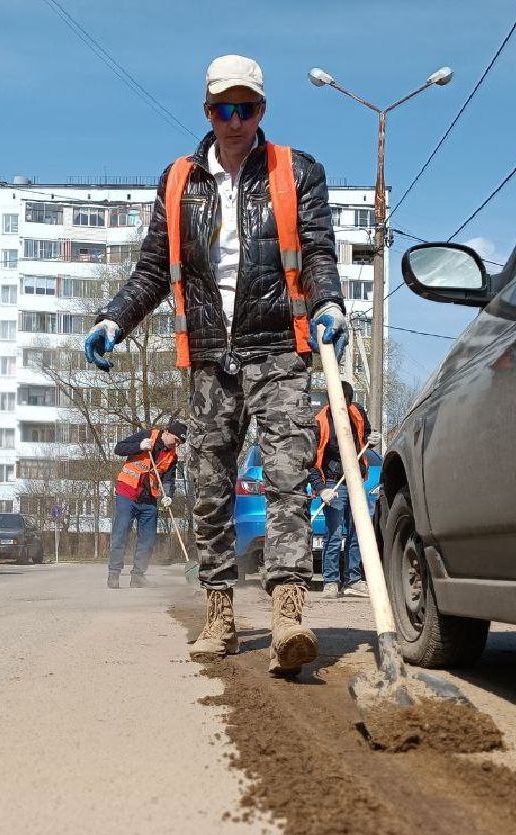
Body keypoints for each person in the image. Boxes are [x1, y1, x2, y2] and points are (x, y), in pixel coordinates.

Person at [83, 54, 348, 677]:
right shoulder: (177, 181)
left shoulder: (297, 171)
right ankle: (221, 613)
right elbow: (152, 269)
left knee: (286, 473)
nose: (235, 120)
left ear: (262, 111)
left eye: (247, 108)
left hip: (279, 344)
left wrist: (330, 302)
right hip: (208, 354)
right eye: (224, 108)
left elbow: (317, 251)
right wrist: (113, 319)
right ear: (207, 111)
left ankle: (287, 613)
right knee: (209, 487)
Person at [107, 420, 186, 589]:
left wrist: (168, 496)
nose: (177, 444)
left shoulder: (173, 456)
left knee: (148, 539)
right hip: (127, 493)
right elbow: (118, 448)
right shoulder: (146, 436)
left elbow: (168, 480)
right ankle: (114, 574)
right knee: (120, 534)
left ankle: (138, 576)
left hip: (149, 499)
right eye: (176, 439)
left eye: (180, 442)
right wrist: (139, 446)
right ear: (167, 432)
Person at [311, 382, 370, 600]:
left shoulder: (358, 413)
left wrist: (371, 441)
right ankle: (330, 581)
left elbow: (365, 436)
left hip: (355, 481)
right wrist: (321, 489)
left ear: (349, 400)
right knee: (334, 534)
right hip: (333, 483)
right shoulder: (320, 422)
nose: (339, 407)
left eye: (344, 402)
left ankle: (353, 580)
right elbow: (312, 461)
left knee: (358, 532)